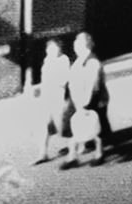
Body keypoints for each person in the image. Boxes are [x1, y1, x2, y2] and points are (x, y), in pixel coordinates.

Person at [66, 31, 113, 161]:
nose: (75, 47)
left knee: (97, 125)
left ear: (85, 45)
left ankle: (99, 152)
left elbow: (94, 84)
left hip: (93, 98)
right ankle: (76, 151)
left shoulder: (92, 61)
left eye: (77, 44)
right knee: (77, 124)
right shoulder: (79, 60)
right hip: (78, 98)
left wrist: (85, 102)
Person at [30, 37, 73, 165]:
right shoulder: (47, 60)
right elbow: (45, 80)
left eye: (55, 48)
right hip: (47, 98)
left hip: (60, 98)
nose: (51, 51)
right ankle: (43, 153)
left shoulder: (63, 60)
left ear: (60, 49)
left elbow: (64, 80)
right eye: (49, 48)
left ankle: (75, 149)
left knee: (65, 126)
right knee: (45, 125)